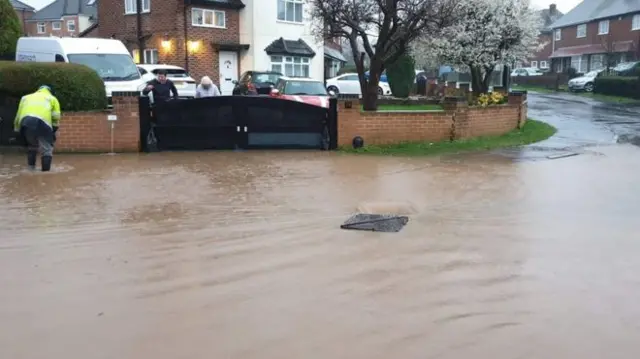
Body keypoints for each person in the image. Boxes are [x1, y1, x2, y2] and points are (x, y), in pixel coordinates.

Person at [13, 85, 61, 172]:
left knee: (32, 146)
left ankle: (31, 170)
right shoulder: (52, 98)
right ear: (50, 91)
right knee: (47, 149)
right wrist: (53, 129)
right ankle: (46, 174)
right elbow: (56, 116)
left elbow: (18, 116)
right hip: (42, 123)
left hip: (26, 122)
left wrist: (17, 129)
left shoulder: (25, 98)